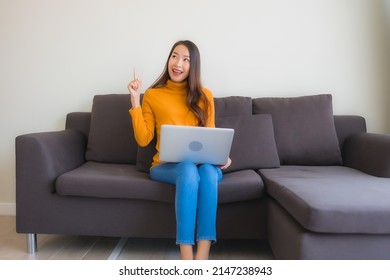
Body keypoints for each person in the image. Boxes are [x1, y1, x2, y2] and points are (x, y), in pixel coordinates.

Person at [128, 40, 231, 260]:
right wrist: (136, 101)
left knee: (208, 171)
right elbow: (143, 139)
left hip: (199, 166)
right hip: (165, 167)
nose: (178, 63)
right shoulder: (154, 95)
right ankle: (186, 256)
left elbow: (210, 136)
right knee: (187, 168)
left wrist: (221, 157)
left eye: (186, 60)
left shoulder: (205, 96)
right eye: (174, 56)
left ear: (193, 67)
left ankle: (202, 256)